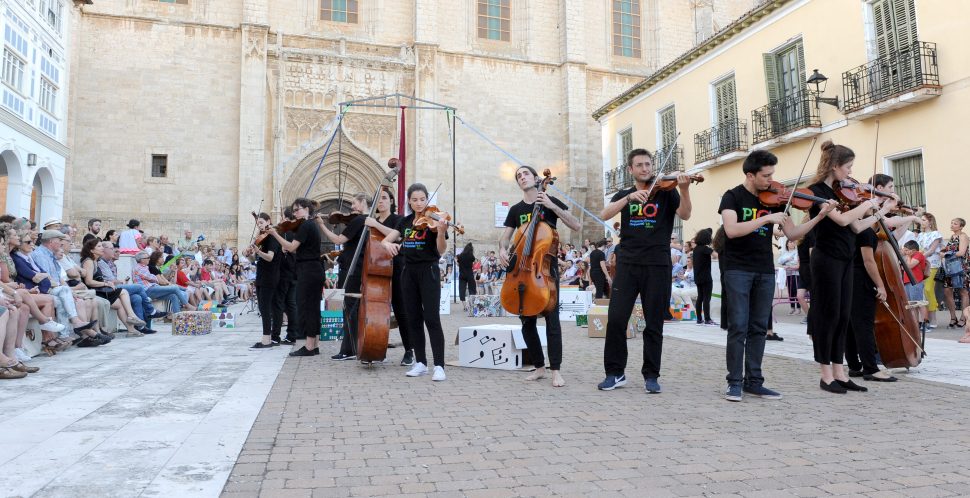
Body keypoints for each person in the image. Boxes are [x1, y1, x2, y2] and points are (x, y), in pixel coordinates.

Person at [718, 150, 836, 401]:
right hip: (738, 268)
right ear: (750, 175)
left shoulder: (776, 199)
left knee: (759, 327)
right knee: (738, 326)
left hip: (763, 269)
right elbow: (731, 230)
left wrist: (821, 216)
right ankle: (734, 382)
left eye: (772, 174)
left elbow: (793, 234)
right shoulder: (732, 197)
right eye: (766, 175)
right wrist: (766, 219)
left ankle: (755, 381)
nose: (771, 180)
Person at [597, 148, 694, 393]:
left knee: (654, 323)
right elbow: (604, 214)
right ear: (630, 170)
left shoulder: (667, 192)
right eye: (639, 165)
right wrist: (628, 199)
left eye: (648, 164)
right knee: (617, 319)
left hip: (657, 264)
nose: (645, 169)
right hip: (628, 263)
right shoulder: (624, 194)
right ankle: (615, 373)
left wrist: (683, 189)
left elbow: (685, 213)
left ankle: (651, 375)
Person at [807, 141, 891, 394]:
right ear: (834, 166)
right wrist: (866, 205)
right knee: (828, 316)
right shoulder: (816, 192)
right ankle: (826, 375)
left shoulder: (841, 192)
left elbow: (855, 227)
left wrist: (880, 211)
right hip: (826, 259)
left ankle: (840, 372)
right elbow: (842, 219)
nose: (851, 174)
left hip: (844, 258)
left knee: (843, 316)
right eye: (848, 167)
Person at [498, 165, 579, 387]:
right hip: (523, 269)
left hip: (545, 270)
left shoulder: (549, 202)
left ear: (536, 178)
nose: (522, 177)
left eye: (525, 174)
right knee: (526, 320)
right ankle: (539, 366)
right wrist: (503, 250)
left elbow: (576, 225)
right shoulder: (516, 210)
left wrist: (552, 205)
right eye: (518, 176)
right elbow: (505, 238)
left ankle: (556, 370)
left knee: (552, 321)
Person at [383, 184, 450, 381]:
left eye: (422, 199)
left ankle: (439, 365)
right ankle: (420, 362)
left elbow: (440, 250)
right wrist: (388, 244)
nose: (419, 203)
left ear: (427, 200)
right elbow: (385, 240)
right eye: (415, 200)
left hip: (428, 271)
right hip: (407, 272)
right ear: (409, 202)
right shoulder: (404, 222)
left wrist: (440, 232)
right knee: (413, 318)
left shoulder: (435, 220)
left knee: (431, 318)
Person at [268, 198, 324, 357]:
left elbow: (292, 247)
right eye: (293, 211)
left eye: (297, 210)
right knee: (313, 308)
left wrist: (274, 234)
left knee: (307, 308)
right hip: (312, 269)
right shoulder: (310, 225)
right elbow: (298, 249)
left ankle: (309, 347)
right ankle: (315, 345)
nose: (294, 213)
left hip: (308, 271)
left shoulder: (306, 225)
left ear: (306, 209)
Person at [844, 220, 898, 382]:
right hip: (861, 280)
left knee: (851, 326)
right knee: (864, 325)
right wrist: (880, 285)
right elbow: (868, 261)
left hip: (848, 277)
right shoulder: (866, 232)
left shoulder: (850, 228)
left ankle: (854, 365)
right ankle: (870, 368)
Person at [373, 187, 414, 365]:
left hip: (397, 267)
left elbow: (397, 238)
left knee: (401, 310)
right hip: (376, 269)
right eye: (378, 199)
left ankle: (409, 350)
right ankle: (374, 347)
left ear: (391, 201)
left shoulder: (398, 220)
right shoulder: (371, 220)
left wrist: (374, 225)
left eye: (384, 198)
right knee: (376, 312)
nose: (381, 201)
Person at [247, 213, 282, 349]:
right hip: (261, 275)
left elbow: (270, 257)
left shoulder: (272, 238)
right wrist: (250, 255)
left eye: (261, 222)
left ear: (268, 221)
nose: (259, 225)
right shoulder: (261, 239)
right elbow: (255, 260)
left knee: (265, 308)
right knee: (264, 307)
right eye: (258, 223)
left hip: (270, 276)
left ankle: (267, 339)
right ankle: (268, 337)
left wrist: (258, 251)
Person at [941, 218, 969, 328]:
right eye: (952, 223)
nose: (952, 225)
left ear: (961, 227)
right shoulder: (952, 237)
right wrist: (943, 250)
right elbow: (950, 248)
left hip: (961, 267)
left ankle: (964, 317)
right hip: (950, 268)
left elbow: (961, 252)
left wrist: (946, 254)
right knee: (947, 291)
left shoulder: (963, 236)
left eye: (955, 223)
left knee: (963, 292)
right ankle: (953, 317)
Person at [917, 212, 942, 329]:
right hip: (921, 265)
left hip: (932, 264)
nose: (922, 222)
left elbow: (931, 250)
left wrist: (919, 257)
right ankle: (925, 319)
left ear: (930, 222)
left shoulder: (936, 234)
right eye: (921, 220)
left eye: (924, 220)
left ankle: (933, 318)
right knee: (922, 291)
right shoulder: (920, 235)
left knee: (928, 289)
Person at [902, 240, 929, 329]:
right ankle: (916, 323)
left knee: (919, 303)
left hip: (916, 282)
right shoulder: (908, 256)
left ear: (913, 250)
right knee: (911, 304)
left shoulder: (918, 254)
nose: (904, 252)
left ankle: (925, 322)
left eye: (906, 250)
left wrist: (908, 257)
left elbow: (910, 265)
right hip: (907, 281)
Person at [777, 239, 801, 314]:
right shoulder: (785, 253)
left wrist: (786, 263)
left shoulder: (797, 252)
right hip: (787, 274)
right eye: (790, 242)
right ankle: (792, 307)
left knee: (796, 291)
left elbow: (795, 261)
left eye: (793, 242)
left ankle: (798, 308)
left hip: (795, 274)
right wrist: (788, 259)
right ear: (787, 244)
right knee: (790, 291)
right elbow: (779, 261)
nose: (792, 243)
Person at [456, 243, 477, 310]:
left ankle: (465, 306)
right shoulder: (471, 256)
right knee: (472, 289)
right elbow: (474, 262)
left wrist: (455, 260)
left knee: (462, 290)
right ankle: (471, 305)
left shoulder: (460, 256)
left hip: (462, 275)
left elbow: (458, 264)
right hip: (469, 274)